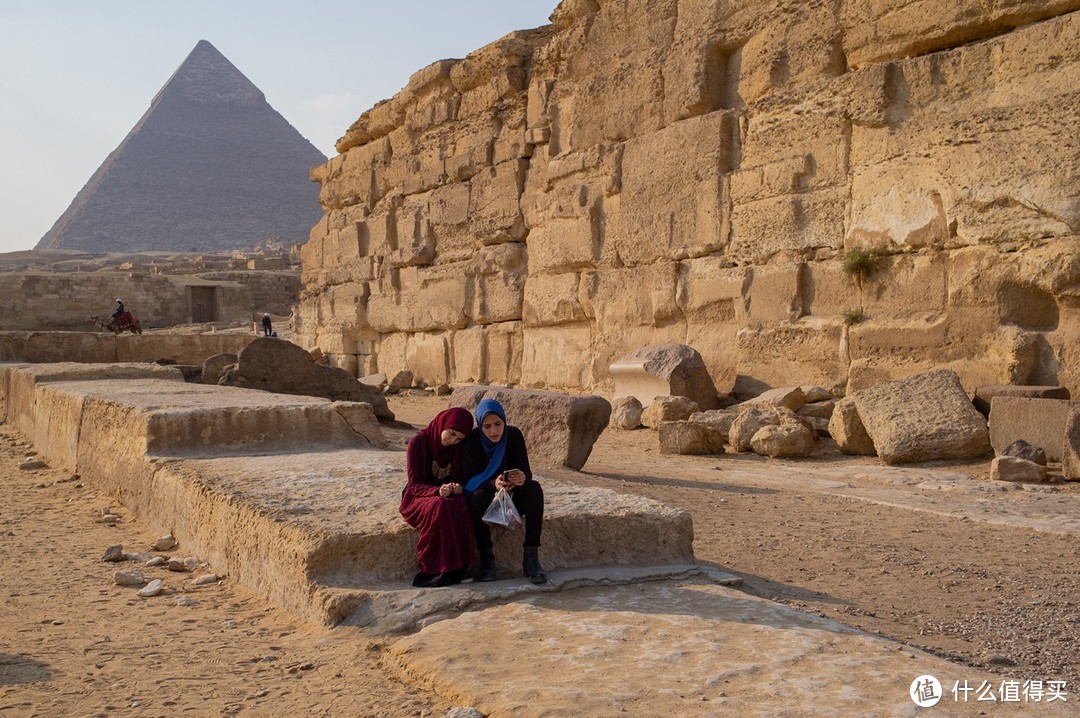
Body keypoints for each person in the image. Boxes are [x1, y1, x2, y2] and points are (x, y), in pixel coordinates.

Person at [461, 399, 547, 584]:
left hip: (512, 496)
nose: (494, 431)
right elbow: (468, 480)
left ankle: (531, 556)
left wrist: (521, 478)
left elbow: (526, 470)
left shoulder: (513, 435)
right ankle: (487, 558)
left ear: (504, 421)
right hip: (487, 497)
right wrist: (494, 484)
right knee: (476, 498)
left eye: (498, 424)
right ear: (480, 425)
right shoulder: (472, 442)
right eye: (488, 426)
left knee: (534, 489)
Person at [399, 407, 477, 587]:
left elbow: (461, 477)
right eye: (451, 433)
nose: (453, 440)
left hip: (446, 496)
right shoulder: (418, 443)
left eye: (459, 438)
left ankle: (461, 567)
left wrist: (458, 487)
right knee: (440, 506)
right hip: (417, 497)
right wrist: (436, 491)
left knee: (462, 503)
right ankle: (436, 568)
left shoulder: (457, 448)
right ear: (444, 424)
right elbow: (414, 484)